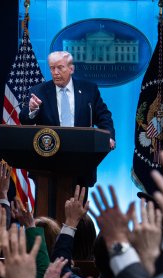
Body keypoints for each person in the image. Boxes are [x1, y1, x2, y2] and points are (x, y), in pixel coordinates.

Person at [18, 51, 115, 186]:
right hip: (47, 164)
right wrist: (32, 109)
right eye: (52, 68)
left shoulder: (89, 90)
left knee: (78, 199)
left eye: (60, 67)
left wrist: (108, 137)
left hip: (81, 162)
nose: (55, 72)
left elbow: (103, 116)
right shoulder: (39, 91)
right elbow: (24, 120)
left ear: (71, 69)